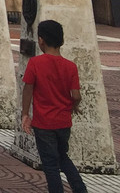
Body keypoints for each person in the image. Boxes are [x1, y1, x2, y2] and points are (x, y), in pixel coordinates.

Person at [20, 20, 87, 193]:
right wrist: (74, 106)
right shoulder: (70, 67)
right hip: (63, 122)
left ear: (41, 40)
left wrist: (25, 114)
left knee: (50, 164)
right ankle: (80, 189)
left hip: (44, 123)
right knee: (63, 157)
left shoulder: (35, 63)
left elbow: (28, 89)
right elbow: (76, 95)